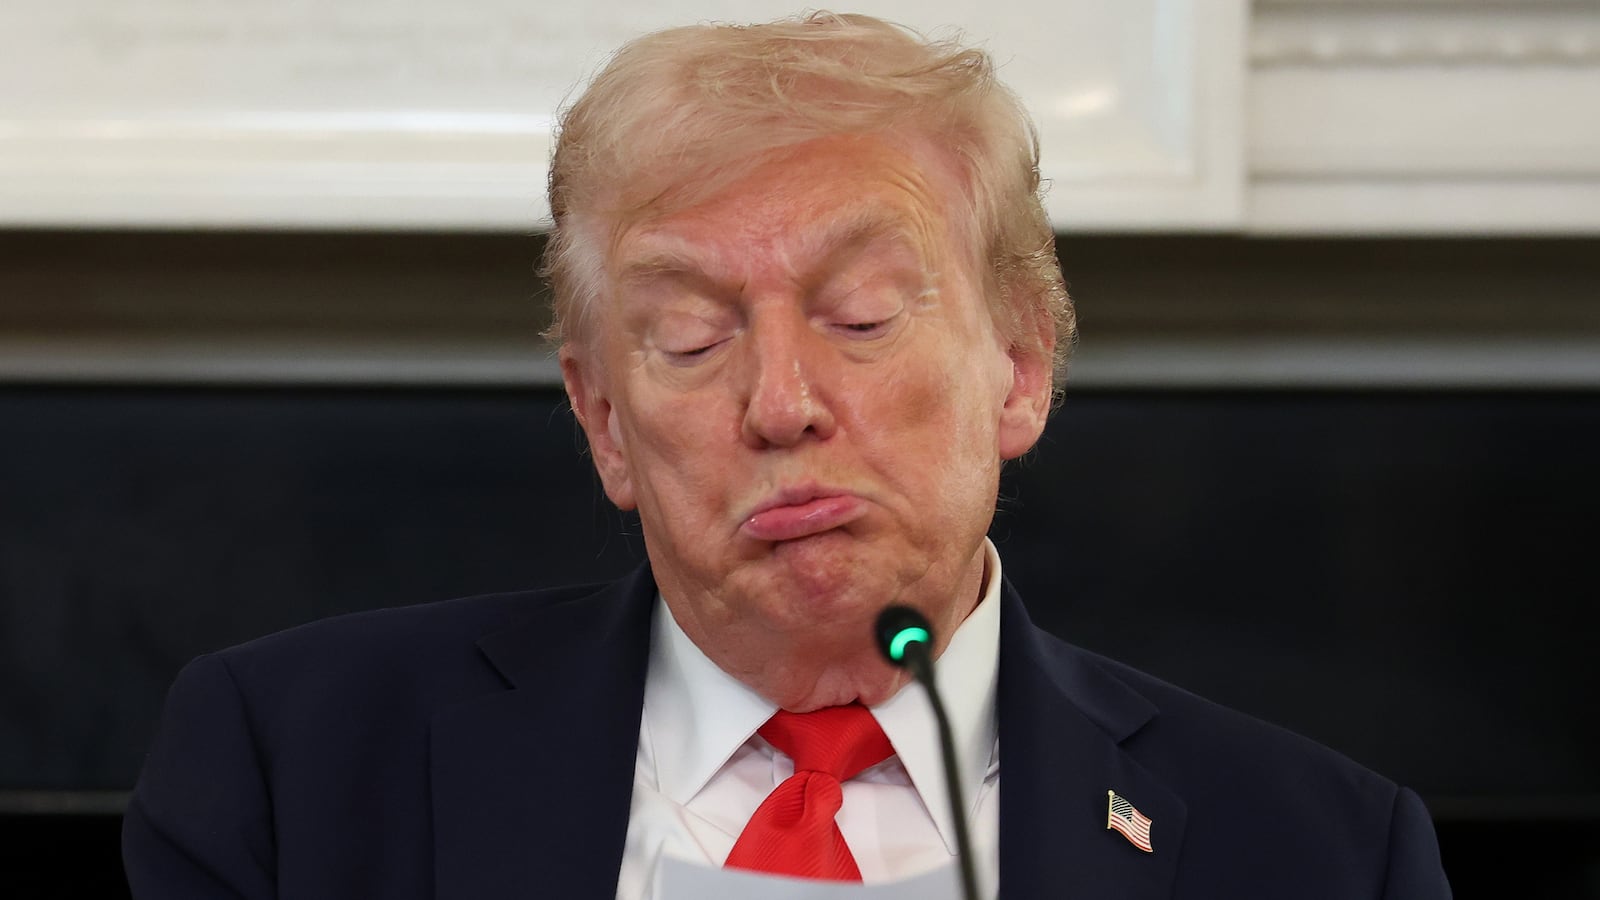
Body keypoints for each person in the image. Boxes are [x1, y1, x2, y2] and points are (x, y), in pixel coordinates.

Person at [123, 12, 1451, 899]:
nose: (780, 403)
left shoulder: (1323, 855)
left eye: (860, 317)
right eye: (691, 337)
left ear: (1020, 366)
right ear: (603, 421)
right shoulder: (292, 769)